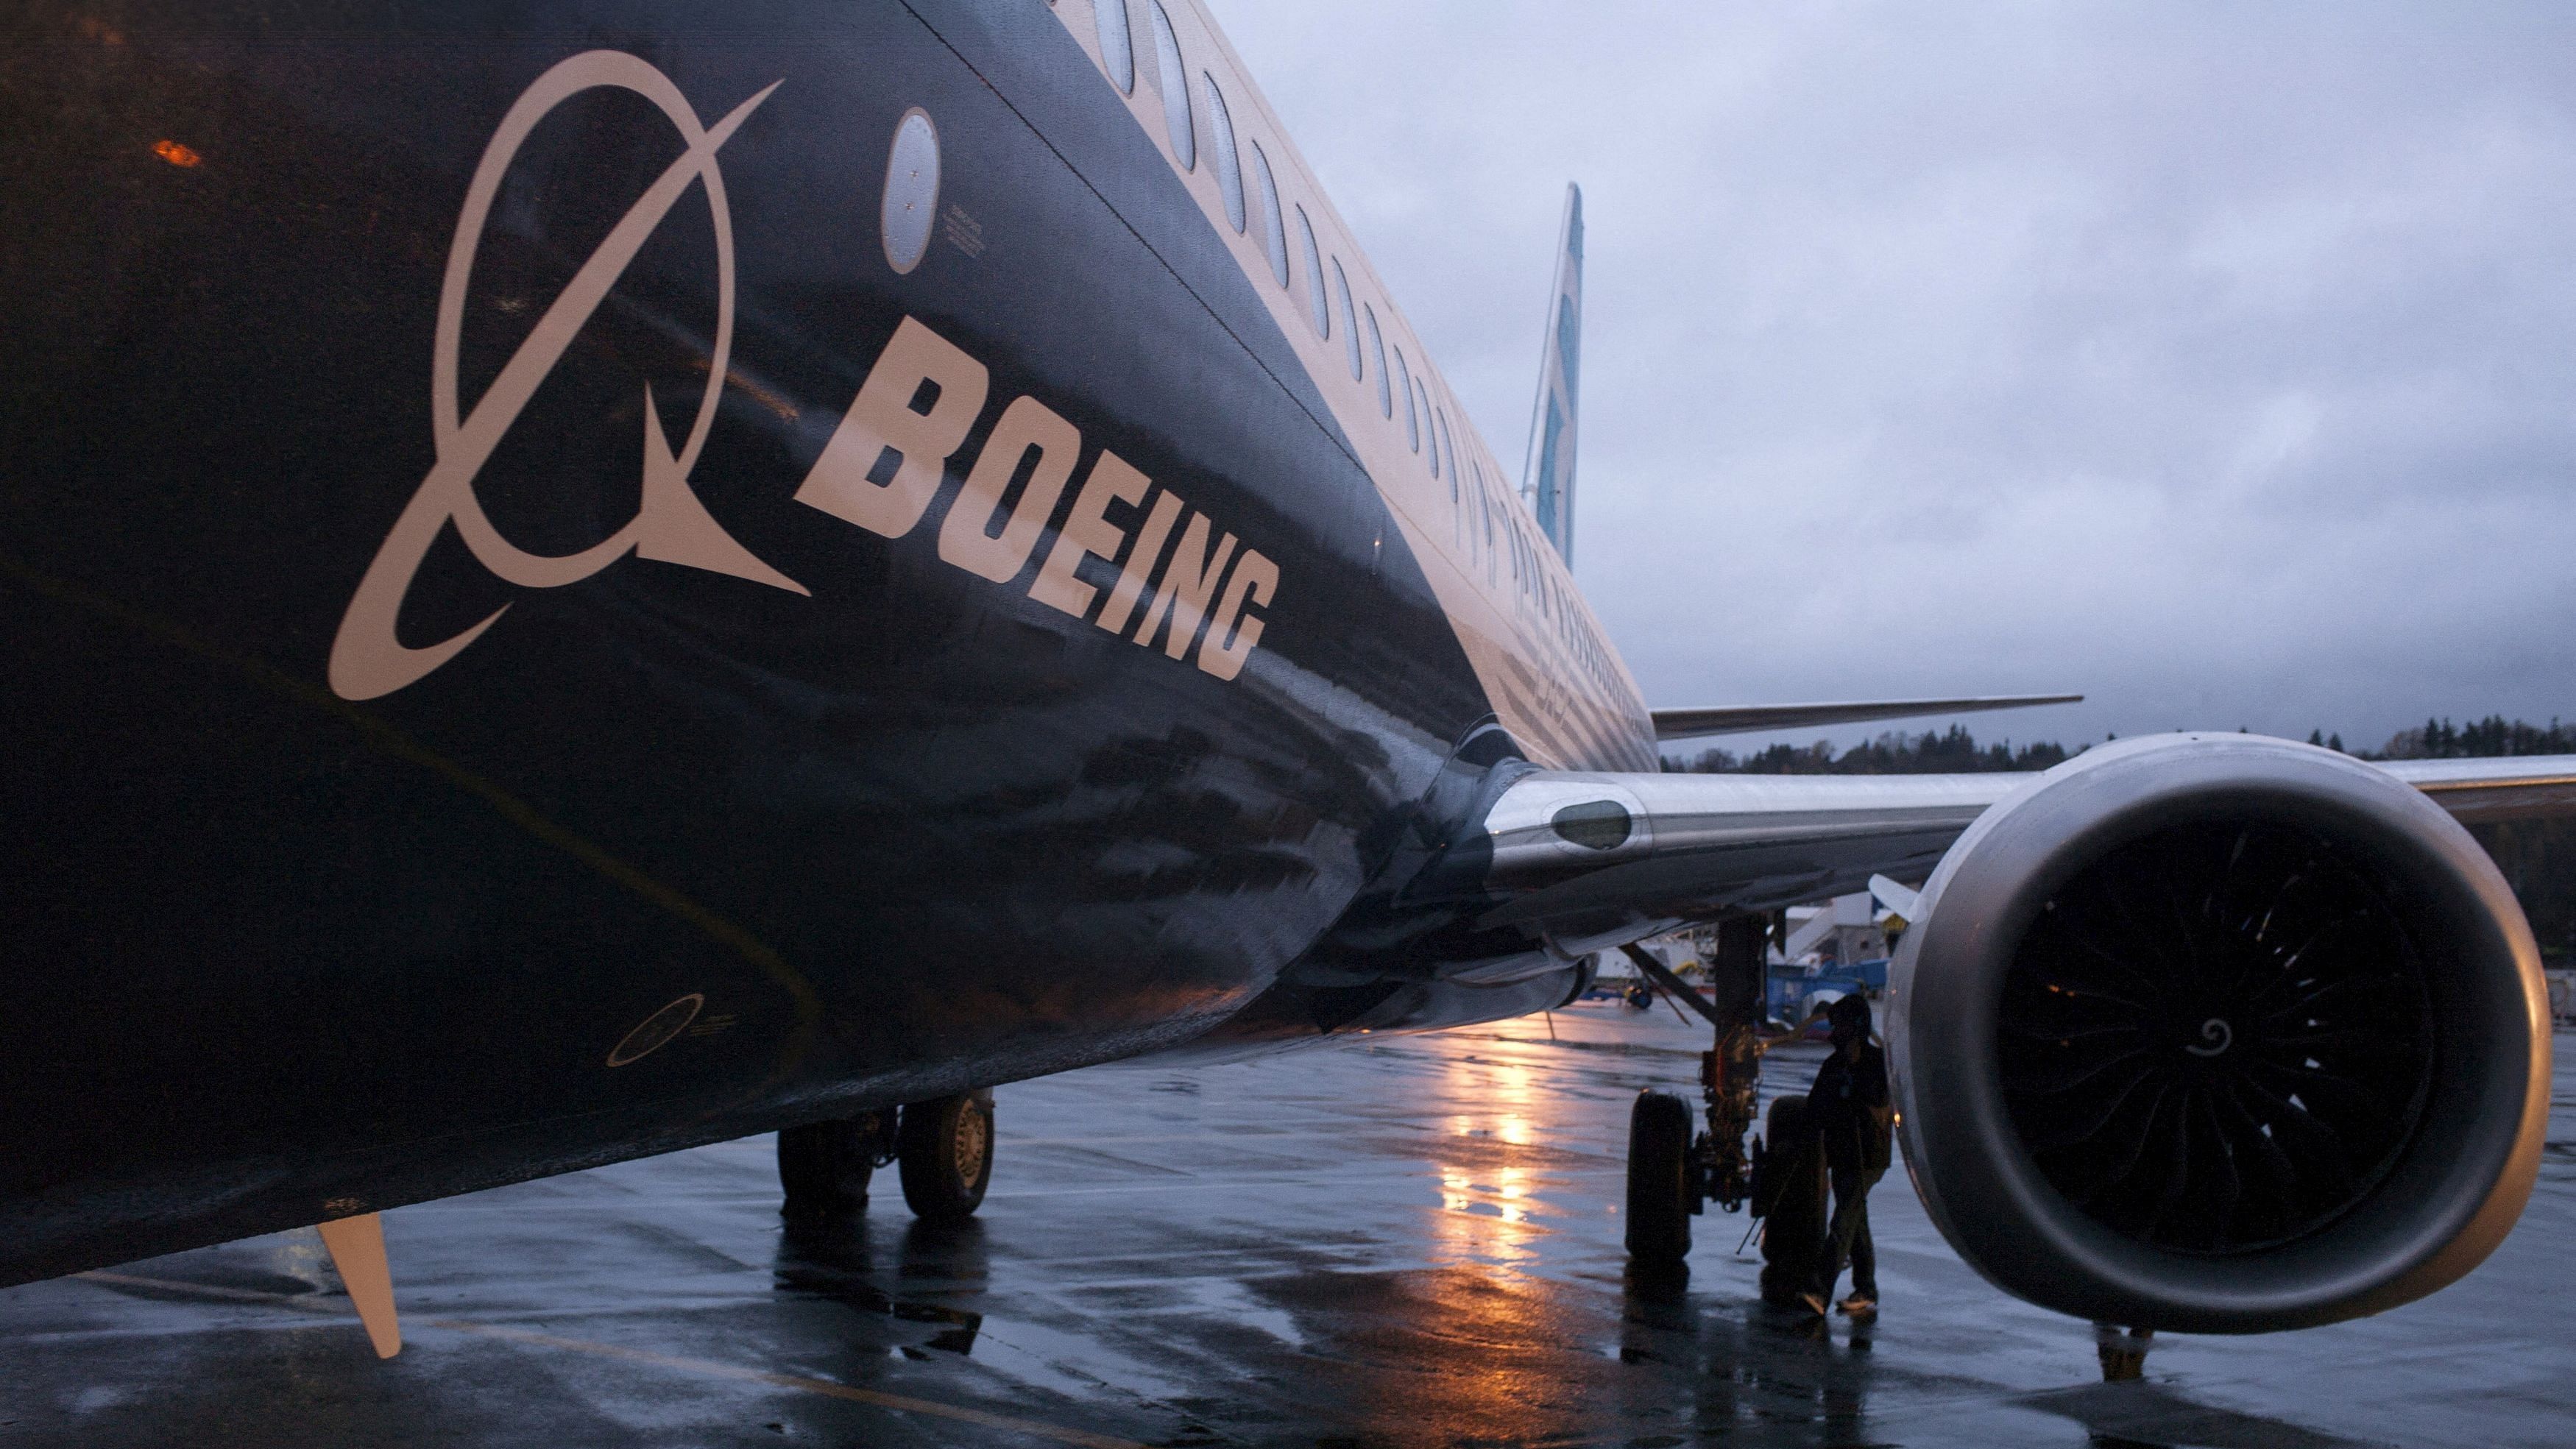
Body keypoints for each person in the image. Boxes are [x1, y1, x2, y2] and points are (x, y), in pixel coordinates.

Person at [1802, 993, 1892, 1318]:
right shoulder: (1833, 1065)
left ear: (1854, 1028)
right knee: (1855, 1219)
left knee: (1843, 1220)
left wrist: (1854, 1076)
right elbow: (1814, 1109)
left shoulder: (1877, 1063)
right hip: (1841, 1154)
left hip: (1868, 1155)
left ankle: (1820, 1289)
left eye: (1837, 1027)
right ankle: (1866, 1287)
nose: (1831, 1034)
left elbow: (1880, 1097)